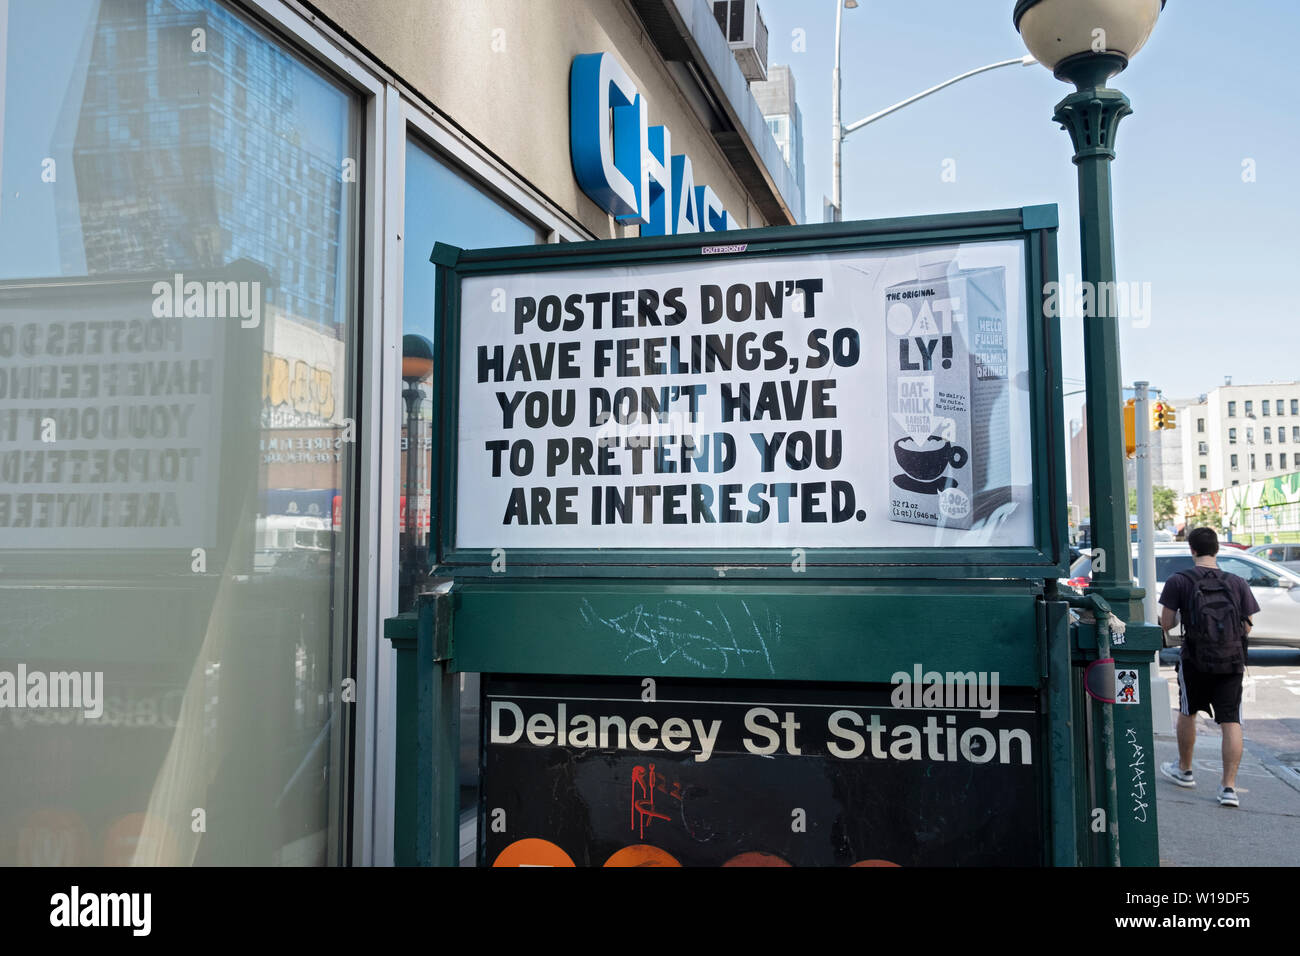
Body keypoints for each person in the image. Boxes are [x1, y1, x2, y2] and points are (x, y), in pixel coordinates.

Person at [1157, 526, 1259, 808]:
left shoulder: (1179, 581)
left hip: (1195, 660)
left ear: (1192, 550)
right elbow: (1248, 626)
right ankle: (1229, 788)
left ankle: (1185, 770)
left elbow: (1166, 623)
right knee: (1231, 720)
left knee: (1188, 711)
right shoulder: (1237, 582)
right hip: (1231, 661)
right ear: (1217, 549)